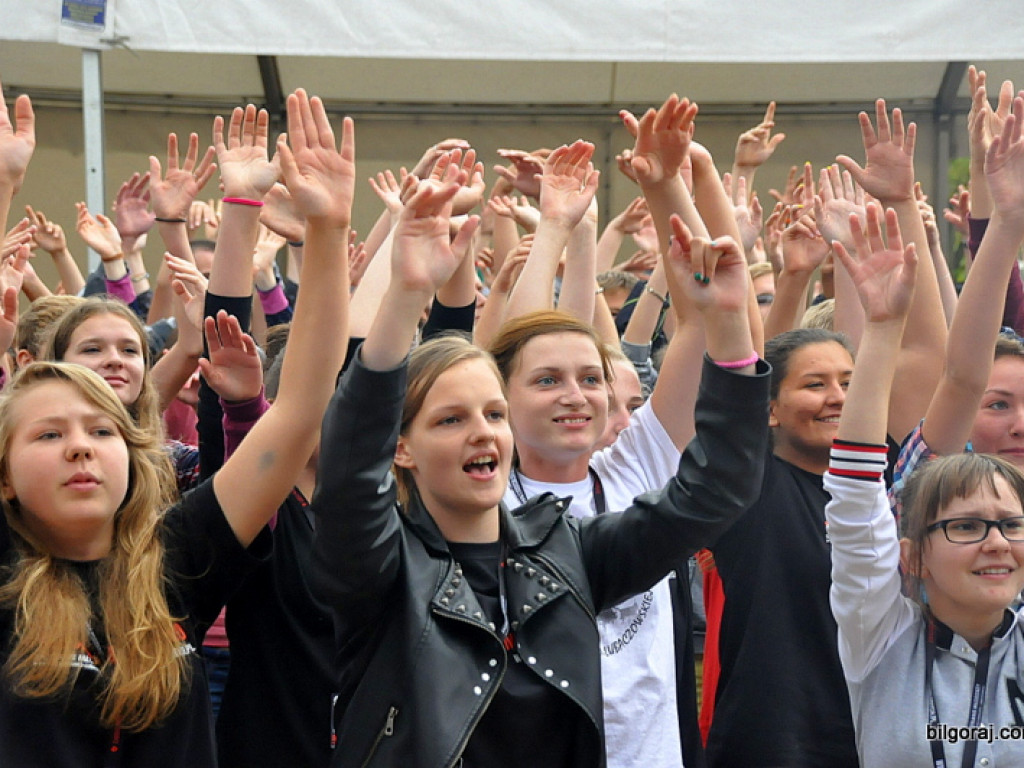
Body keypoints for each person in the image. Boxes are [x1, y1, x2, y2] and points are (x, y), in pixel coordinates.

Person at [309, 161, 769, 766]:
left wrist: (730, 322)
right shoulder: (378, 565)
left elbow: (715, 490)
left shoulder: (568, 551)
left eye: (495, 415)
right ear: (401, 447)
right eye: (451, 420)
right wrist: (405, 294)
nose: (483, 434)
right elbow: (347, 474)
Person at [825, 174, 1024, 765]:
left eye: (1011, 525)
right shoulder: (879, 634)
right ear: (909, 557)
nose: (996, 544)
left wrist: (1008, 222)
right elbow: (857, 491)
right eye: (965, 527)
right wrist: (883, 329)